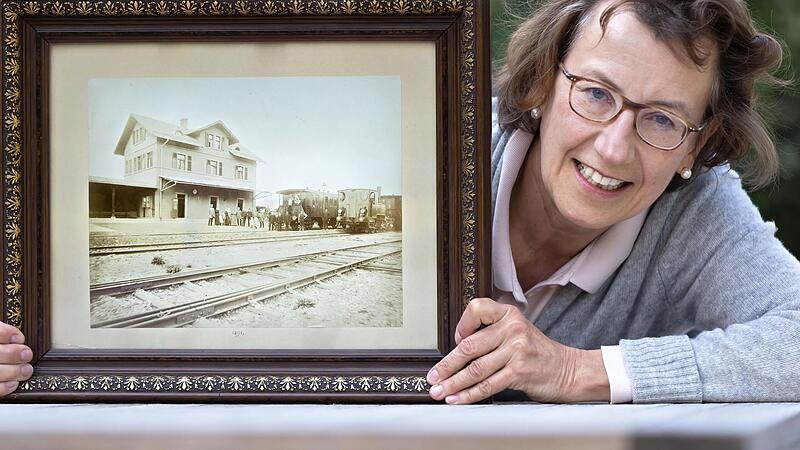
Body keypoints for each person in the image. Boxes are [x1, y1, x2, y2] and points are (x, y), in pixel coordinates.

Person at [426, 0, 800, 405]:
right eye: (596, 93)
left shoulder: (694, 212)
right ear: (542, 81)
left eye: (662, 119)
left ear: (695, 146)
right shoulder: (439, 149)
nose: (614, 150)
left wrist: (575, 370)